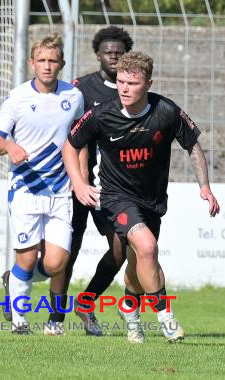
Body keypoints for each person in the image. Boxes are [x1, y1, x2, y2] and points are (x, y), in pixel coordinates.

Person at [63, 51, 220, 343]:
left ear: (148, 83)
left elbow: (193, 146)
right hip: (114, 197)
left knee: (135, 260)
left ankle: (129, 312)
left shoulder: (166, 111)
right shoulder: (102, 114)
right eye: (121, 81)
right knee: (146, 247)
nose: (124, 88)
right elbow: (71, 145)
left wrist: (205, 186)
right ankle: (166, 318)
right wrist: (79, 183)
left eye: (132, 83)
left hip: (152, 200)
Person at [0, 34, 84, 335]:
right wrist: (9, 147)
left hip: (60, 191)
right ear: (32, 63)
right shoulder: (17, 98)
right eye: (41, 60)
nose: (47, 66)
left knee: (56, 263)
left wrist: (79, 181)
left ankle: (13, 280)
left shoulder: (74, 97)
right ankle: (20, 321)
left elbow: (80, 142)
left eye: (52, 60)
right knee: (27, 259)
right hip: (26, 189)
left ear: (62, 64)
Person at [55, 26, 134, 337]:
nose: (113, 56)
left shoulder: (132, 89)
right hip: (77, 185)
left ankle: (86, 302)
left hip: (113, 189)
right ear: (98, 54)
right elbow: (67, 136)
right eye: (107, 52)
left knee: (120, 247)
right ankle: (55, 321)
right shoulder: (81, 89)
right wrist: (77, 178)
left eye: (119, 52)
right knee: (66, 253)